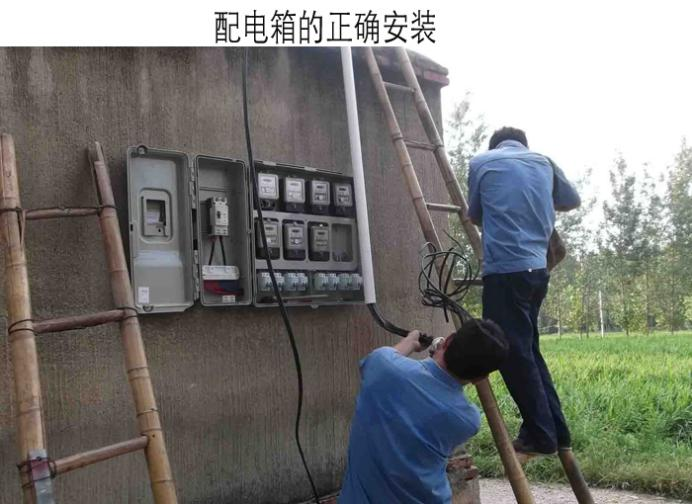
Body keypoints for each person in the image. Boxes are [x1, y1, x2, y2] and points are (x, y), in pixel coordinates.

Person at [467, 126, 581, 461]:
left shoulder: (481, 162)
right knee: (528, 351)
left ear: (494, 146)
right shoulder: (543, 162)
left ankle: (541, 435)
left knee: (509, 353)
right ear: (524, 145)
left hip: (505, 271)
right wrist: (537, 199)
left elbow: (475, 215)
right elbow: (572, 200)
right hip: (537, 272)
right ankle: (554, 430)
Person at [339, 319, 509, 503]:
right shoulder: (467, 420)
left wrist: (410, 342)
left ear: (448, 340)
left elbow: (384, 357)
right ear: (479, 379)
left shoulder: (382, 367)